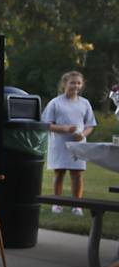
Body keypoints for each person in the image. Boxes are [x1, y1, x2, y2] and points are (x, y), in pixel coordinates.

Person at [41, 70, 96, 216]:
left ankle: (77, 206)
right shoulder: (55, 103)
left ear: (82, 84)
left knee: (77, 174)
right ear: (65, 84)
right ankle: (57, 204)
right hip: (59, 144)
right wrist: (64, 128)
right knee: (59, 173)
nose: (75, 86)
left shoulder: (85, 103)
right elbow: (47, 124)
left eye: (78, 83)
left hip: (78, 144)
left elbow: (90, 125)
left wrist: (82, 135)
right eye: (72, 82)